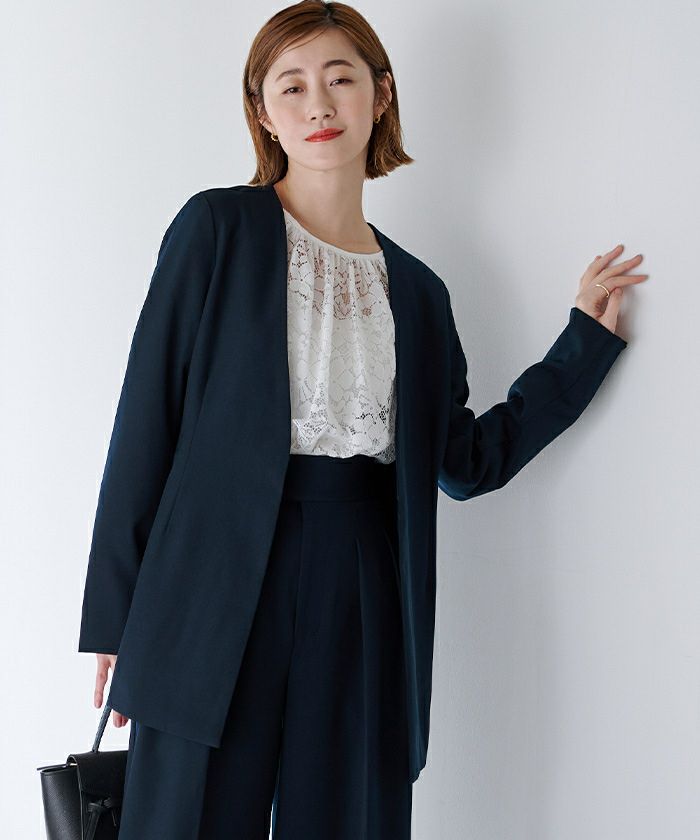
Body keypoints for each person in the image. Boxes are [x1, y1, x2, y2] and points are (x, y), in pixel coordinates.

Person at [78, 2, 648, 838]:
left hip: (359, 577)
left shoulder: (417, 292)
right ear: (263, 112)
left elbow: (466, 462)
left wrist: (581, 349)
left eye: (340, 78)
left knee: (348, 815)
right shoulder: (216, 230)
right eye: (292, 86)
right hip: (209, 585)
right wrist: (116, 619)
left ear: (380, 95)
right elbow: (145, 422)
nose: (319, 104)